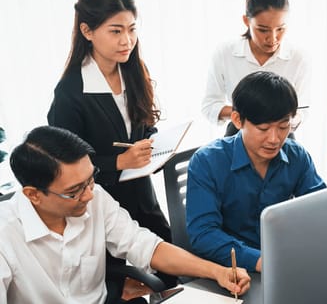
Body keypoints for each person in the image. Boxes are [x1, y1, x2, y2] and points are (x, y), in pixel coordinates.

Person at [0, 125, 250, 304]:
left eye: (90, 179)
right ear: (33, 194)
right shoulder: (5, 232)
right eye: (74, 191)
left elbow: (146, 246)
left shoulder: (95, 197)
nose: (89, 194)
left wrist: (218, 271)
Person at [47, 0, 175, 289]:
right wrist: (118, 161)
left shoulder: (132, 70)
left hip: (143, 198)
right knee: (113, 289)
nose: (127, 40)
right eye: (115, 31)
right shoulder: (70, 92)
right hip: (97, 210)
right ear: (87, 31)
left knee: (171, 275)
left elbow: (142, 127)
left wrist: (154, 144)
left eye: (131, 29)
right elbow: (63, 166)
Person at [187, 71, 326, 273]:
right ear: (237, 120)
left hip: (284, 263)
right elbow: (204, 235)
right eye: (263, 128)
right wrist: (260, 260)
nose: (274, 139)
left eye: (283, 126)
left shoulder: (297, 156)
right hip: (228, 272)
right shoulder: (206, 162)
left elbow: (321, 210)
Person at [201, 0, 311, 136]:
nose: (273, 38)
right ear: (246, 21)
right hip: (238, 135)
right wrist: (247, 113)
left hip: (282, 137)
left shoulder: (298, 58)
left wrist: (286, 120)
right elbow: (210, 105)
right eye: (263, 30)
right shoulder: (225, 53)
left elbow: (303, 109)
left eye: (280, 28)